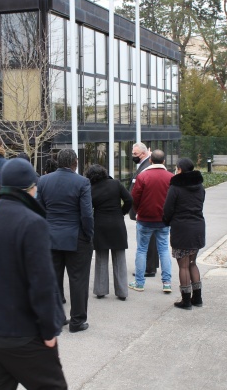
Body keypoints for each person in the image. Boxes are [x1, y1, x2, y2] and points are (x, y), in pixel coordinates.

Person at [0, 158, 67, 389]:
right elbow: (42, 284)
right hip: (22, 333)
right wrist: (49, 329)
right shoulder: (32, 223)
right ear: (32, 187)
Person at [37, 149, 94, 333]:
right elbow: (87, 213)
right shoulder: (82, 182)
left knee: (53, 279)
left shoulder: (44, 180)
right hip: (76, 237)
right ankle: (77, 321)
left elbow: (39, 209)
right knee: (78, 280)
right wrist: (88, 234)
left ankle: (57, 317)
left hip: (50, 236)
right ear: (75, 162)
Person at [163, 157, 206, 309]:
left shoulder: (175, 187)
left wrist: (167, 221)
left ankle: (186, 300)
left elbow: (168, 209)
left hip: (181, 229)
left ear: (180, 169)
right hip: (198, 227)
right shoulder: (200, 186)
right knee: (193, 263)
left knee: (183, 266)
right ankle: (197, 298)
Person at [85, 164, 132, 301]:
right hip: (117, 224)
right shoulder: (116, 184)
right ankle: (122, 292)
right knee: (120, 259)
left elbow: (88, 208)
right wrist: (122, 212)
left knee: (101, 258)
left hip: (100, 225)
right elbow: (129, 199)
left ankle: (100, 290)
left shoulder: (91, 189)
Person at [129, 149, 173, 293]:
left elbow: (134, 198)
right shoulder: (170, 177)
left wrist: (138, 211)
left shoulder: (143, 176)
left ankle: (140, 283)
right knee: (164, 249)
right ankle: (167, 283)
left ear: (150, 160)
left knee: (142, 250)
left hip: (144, 220)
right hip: (163, 220)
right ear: (164, 161)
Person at [129, 142, 159, 278]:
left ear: (144, 153)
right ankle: (150, 266)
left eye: (135, 154)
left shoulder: (146, 167)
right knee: (150, 240)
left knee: (147, 241)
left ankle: (148, 268)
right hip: (147, 210)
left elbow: (139, 191)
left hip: (145, 211)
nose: (133, 156)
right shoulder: (145, 165)